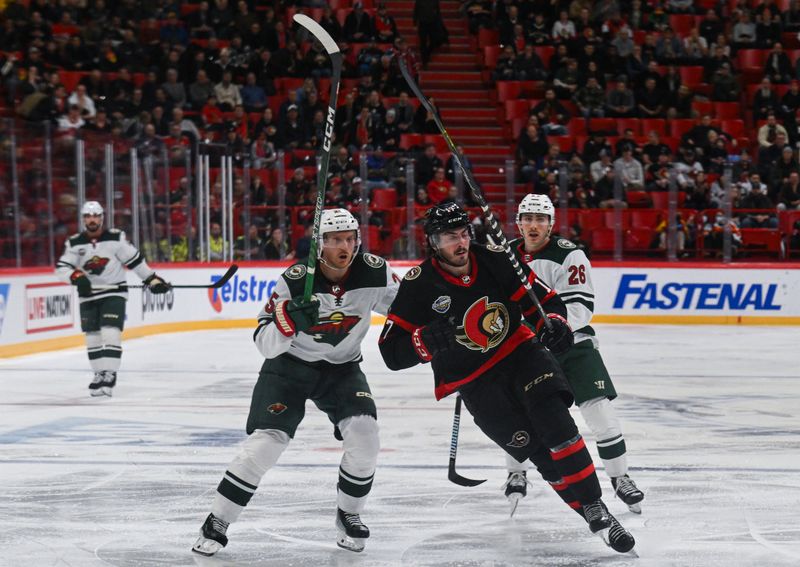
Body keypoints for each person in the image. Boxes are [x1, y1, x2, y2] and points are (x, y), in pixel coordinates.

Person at [378, 202, 635, 554]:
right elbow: (391, 353)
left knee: (558, 426)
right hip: (475, 381)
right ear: (433, 242)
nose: (461, 242)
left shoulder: (495, 258)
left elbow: (542, 301)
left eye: (464, 233)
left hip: (521, 354)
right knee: (541, 455)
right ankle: (590, 512)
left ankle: (595, 506)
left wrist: (554, 323)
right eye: (451, 236)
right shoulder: (418, 284)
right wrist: (423, 342)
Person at [193, 208, 400, 557]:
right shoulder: (295, 279)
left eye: (349, 238)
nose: (344, 246)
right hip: (289, 368)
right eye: (335, 240)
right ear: (320, 245)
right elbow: (263, 341)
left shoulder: (375, 273)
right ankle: (218, 520)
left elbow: (408, 308)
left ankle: (349, 513)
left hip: (342, 369)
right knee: (267, 443)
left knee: (366, 435)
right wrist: (286, 323)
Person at [503, 194, 645, 513]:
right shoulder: (505, 255)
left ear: (551, 224)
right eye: (527, 218)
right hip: (525, 349)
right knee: (520, 415)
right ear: (519, 223)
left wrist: (558, 327)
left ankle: (620, 477)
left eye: (540, 219)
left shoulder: (570, 255)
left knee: (600, 414)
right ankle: (516, 472)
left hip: (574, 344)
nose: (533, 225)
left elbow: (581, 305)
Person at [55, 201, 171, 396]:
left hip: (113, 293)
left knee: (110, 332)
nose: (92, 220)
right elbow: (62, 268)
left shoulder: (116, 238)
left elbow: (135, 261)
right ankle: (98, 374)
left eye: (95, 216)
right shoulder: (74, 242)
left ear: (101, 217)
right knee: (92, 337)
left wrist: (152, 279)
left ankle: (110, 373)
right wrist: (77, 277)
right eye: (88, 216)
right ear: (84, 219)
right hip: (88, 295)